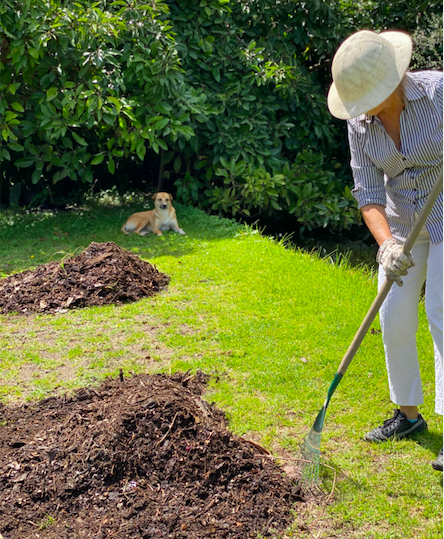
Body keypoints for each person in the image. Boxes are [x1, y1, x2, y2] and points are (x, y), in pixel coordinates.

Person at [327, 30, 443, 471]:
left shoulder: (437, 93)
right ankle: (408, 415)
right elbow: (368, 190)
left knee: (441, 309)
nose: (362, 110)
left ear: (394, 80)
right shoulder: (360, 123)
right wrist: (387, 245)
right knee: (393, 314)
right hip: (402, 224)